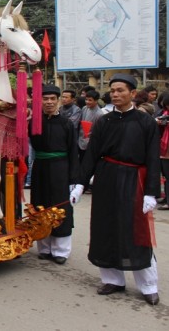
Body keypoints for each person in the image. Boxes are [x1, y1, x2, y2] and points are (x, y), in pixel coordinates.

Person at [80, 73, 161, 306]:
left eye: (120, 90)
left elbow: (153, 158)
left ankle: (148, 285)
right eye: (112, 90)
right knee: (106, 227)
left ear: (133, 94)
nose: (115, 94)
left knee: (135, 232)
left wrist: (151, 191)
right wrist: (80, 182)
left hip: (134, 179)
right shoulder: (103, 121)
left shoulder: (145, 122)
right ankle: (113, 280)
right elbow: (92, 154)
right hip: (106, 179)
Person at [29, 85, 82, 265]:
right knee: (40, 204)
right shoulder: (33, 122)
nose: (49, 102)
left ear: (58, 100)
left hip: (61, 168)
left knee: (60, 207)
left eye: (52, 98)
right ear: (40, 101)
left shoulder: (67, 123)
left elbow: (74, 151)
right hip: (40, 168)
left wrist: (74, 179)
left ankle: (61, 250)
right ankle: (43, 247)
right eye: (45, 99)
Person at [154, 91, 169, 211]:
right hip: (163, 148)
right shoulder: (163, 113)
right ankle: (166, 198)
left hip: (166, 149)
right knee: (165, 175)